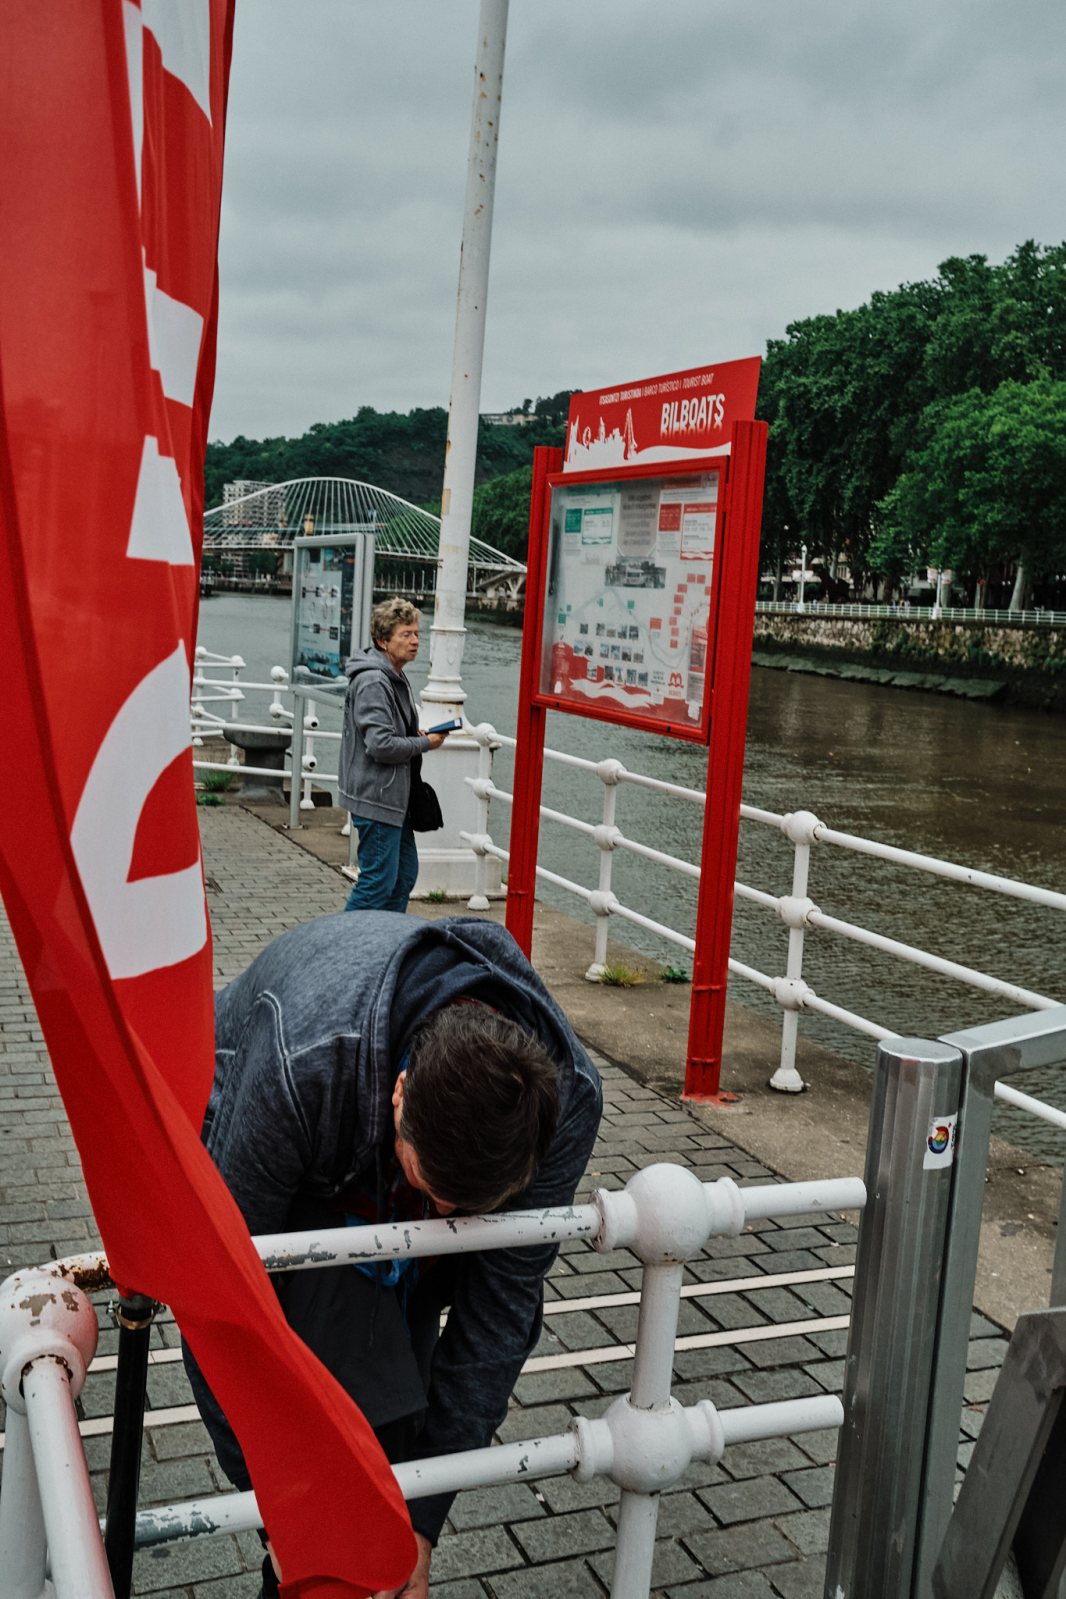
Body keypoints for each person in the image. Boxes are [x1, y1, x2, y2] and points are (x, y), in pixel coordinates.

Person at [183, 909, 603, 1599]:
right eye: (433, 1191)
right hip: (274, 1124)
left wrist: (422, 1520)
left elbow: (495, 1320)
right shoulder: (301, 1062)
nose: (443, 1218)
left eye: (468, 1214)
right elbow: (216, 1301)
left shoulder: (566, 1104)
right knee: (329, 1437)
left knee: (393, 1437)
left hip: (368, 1144)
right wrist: (273, 1509)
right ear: (403, 1092)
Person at [339, 597, 450, 913]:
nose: (415, 641)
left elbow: (384, 733)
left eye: (417, 633)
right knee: (377, 882)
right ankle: (344, 947)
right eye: (406, 634)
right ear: (383, 640)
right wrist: (426, 744)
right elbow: (381, 746)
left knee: (402, 877)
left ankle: (385, 943)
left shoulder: (393, 674)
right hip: (377, 796)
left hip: (392, 797)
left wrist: (412, 737)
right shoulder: (375, 680)